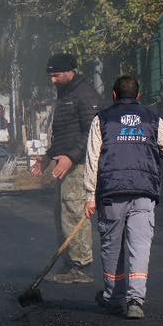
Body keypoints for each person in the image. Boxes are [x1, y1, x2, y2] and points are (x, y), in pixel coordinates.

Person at [82, 74, 163, 320]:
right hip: (143, 192)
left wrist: (89, 197)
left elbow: (92, 159)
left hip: (112, 193)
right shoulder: (152, 119)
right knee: (140, 246)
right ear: (138, 96)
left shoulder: (102, 119)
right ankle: (135, 300)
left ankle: (114, 298)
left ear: (114, 96)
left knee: (112, 246)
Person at [43, 53, 103, 284]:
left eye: (56, 75)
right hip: (66, 164)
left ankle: (81, 266)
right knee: (63, 214)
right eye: (50, 76)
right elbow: (64, 133)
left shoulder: (85, 95)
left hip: (78, 166)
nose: (52, 81)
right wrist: (48, 157)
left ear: (70, 71)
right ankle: (69, 263)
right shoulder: (66, 94)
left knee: (74, 211)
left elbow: (93, 132)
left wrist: (70, 157)